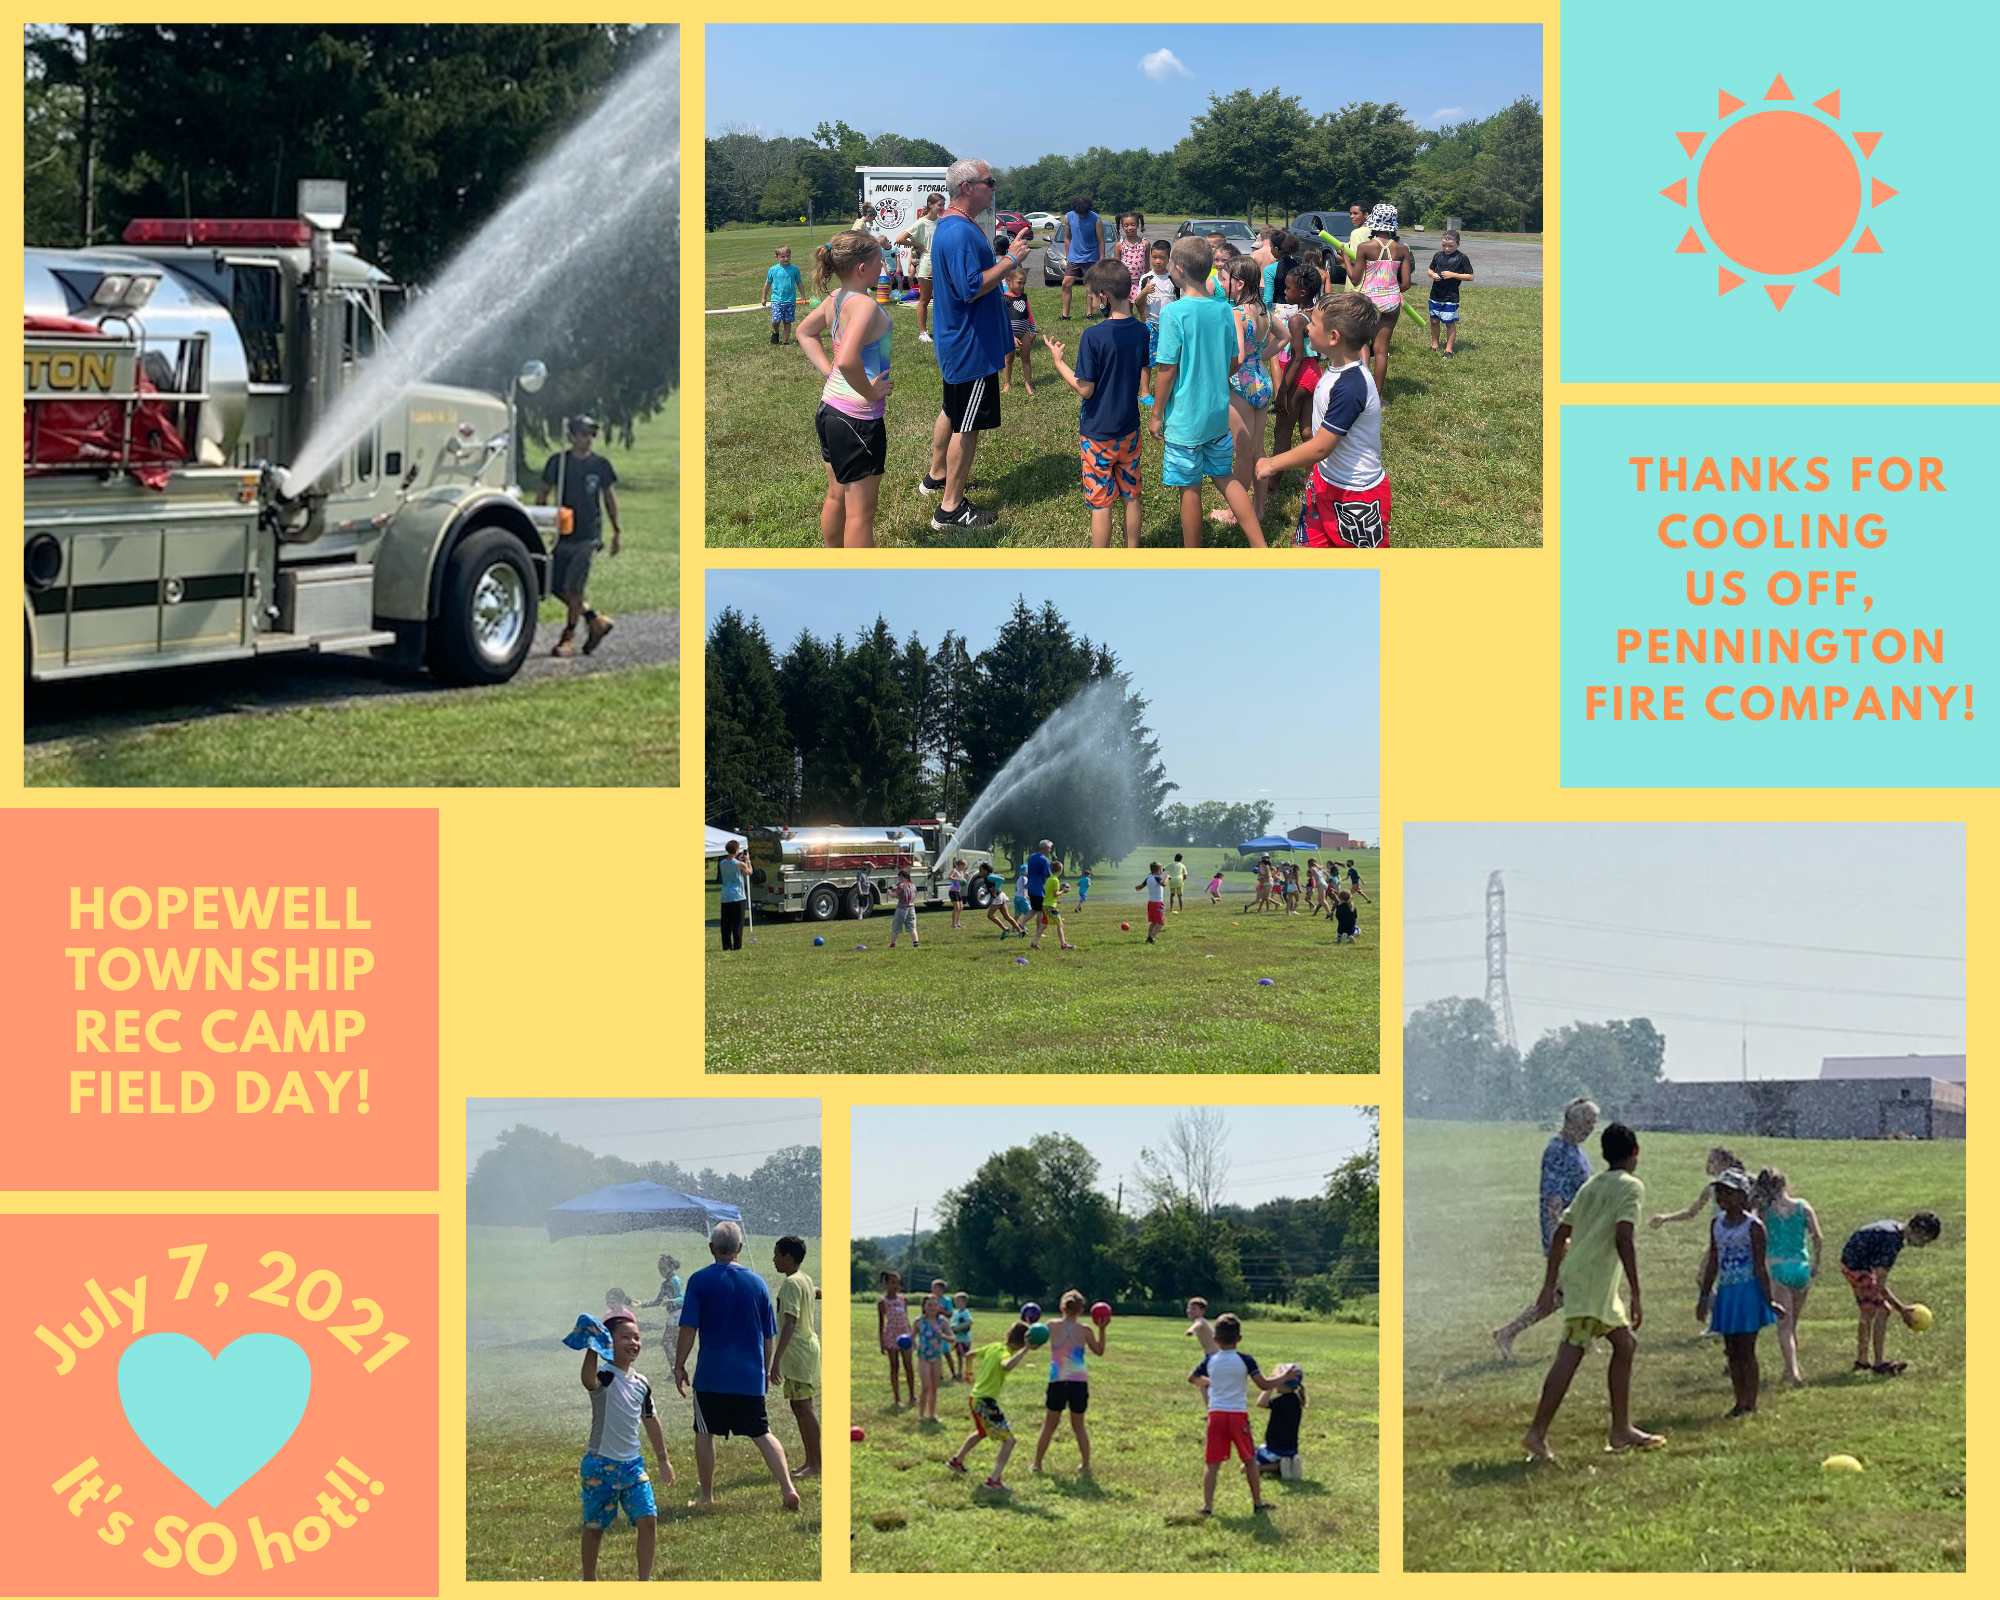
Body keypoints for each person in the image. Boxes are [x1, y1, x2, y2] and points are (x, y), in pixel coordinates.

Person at [1520, 1121, 1663, 1462]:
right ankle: (1536, 1434)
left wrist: (1550, 1283)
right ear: (1635, 1152)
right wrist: (1637, 1292)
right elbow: (1624, 1237)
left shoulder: (1591, 1185)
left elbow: (1560, 1234)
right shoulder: (1631, 1186)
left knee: (1625, 1344)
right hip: (1591, 1282)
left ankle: (1621, 1429)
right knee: (1571, 1352)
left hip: (1587, 1279)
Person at [920, 157, 1031, 531]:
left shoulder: (954, 225)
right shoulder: (960, 233)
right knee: (967, 425)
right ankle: (950, 510)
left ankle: (936, 476)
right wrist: (1011, 260)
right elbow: (970, 288)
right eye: (990, 181)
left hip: (959, 342)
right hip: (971, 347)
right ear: (967, 188)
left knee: (952, 411)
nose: (994, 187)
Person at [674, 1221, 801, 1512]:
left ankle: (707, 1496)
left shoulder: (699, 1281)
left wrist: (679, 1366)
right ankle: (787, 1488)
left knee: (705, 1432)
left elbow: (688, 1328)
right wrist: (765, 1371)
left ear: (712, 1248)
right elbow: (768, 1335)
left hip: (712, 1377)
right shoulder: (758, 1283)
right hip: (748, 1376)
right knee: (762, 1433)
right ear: (739, 1248)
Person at [1254, 293, 1391, 549]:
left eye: (1314, 323)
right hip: (1324, 484)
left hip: (1356, 496)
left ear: (1334, 337)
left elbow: (1321, 447)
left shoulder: (1351, 386)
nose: (1307, 328)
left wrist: (1271, 463)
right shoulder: (1337, 367)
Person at [1153, 237, 1264, 547]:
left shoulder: (1172, 313)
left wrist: (1156, 414)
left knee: (1190, 488)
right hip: (1217, 415)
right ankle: (1260, 546)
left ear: (1178, 269)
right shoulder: (1225, 309)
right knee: (1224, 477)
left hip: (1185, 420)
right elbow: (1236, 359)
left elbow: (1166, 371)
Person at [1042, 259, 1150, 549]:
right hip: (1130, 430)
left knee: (1101, 502)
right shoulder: (1142, 331)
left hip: (1098, 435)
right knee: (1131, 495)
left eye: (1092, 297)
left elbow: (1085, 389)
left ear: (1104, 296)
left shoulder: (1093, 336)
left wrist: (1059, 362)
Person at [796, 230, 894, 549]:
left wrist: (830, 372)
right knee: (860, 515)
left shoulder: (835, 298)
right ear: (863, 269)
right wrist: (870, 393)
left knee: (837, 496)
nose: (883, 267)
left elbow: (805, 332)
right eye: (880, 261)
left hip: (830, 412)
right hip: (857, 420)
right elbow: (849, 360)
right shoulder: (864, 305)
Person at [1492, 1097, 1600, 1360]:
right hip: (1564, 1233)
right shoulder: (1558, 1150)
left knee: (1569, 1292)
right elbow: (1553, 1197)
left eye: (1593, 1123)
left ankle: (1584, 1339)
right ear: (1571, 1121)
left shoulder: (1577, 1151)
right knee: (1567, 1291)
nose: (1591, 1129)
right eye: (1587, 1122)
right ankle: (1508, 1333)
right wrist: (1558, 1237)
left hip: (1579, 1231)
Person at [575, 1307, 674, 1581]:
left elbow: (650, 1419)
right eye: (625, 1337)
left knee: (648, 1520)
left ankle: (644, 1582)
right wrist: (593, 1347)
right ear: (610, 1342)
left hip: (632, 1468)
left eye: (637, 1337)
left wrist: (663, 1459)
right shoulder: (605, 1376)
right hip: (600, 1465)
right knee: (595, 1528)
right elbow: (588, 1380)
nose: (634, 1343)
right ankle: (589, 1579)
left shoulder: (641, 1383)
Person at [1697, 1169, 1782, 1418]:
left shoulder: (1753, 1227)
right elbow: (1714, 1261)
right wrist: (1704, 1296)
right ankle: (1738, 1400)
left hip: (1747, 1293)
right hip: (1727, 1292)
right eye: (1719, 1192)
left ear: (1742, 1195)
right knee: (1731, 1350)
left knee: (1746, 1349)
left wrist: (1769, 1300)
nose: (1722, 1197)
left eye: (1728, 1192)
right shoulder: (1717, 1224)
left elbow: (1760, 1267)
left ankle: (1750, 1402)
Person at [536, 416, 621, 658]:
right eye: (583, 434)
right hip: (563, 533)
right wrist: (543, 524)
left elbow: (609, 498)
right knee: (551, 584)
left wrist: (616, 531)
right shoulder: (558, 463)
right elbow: (543, 493)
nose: (588, 439)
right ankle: (595, 620)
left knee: (575, 587)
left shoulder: (600, 465)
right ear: (572, 436)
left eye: (591, 434)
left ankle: (569, 636)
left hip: (588, 535)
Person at [1189, 1312, 1281, 1515]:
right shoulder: (1245, 1360)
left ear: (1215, 1339)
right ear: (1239, 1338)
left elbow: (1192, 1378)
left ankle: (1207, 1506)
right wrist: (1283, 1377)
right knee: (1249, 1459)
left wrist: (1211, 1382)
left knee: (1212, 1462)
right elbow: (1263, 1384)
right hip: (1237, 1415)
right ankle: (1257, 1502)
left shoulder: (1211, 1360)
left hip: (1216, 1415)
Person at [1838, 1211, 1943, 1375]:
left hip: (1854, 1262)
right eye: (1924, 1240)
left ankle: (1863, 1361)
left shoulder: (1895, 1231)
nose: (1922, 1245)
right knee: (1882, 1309)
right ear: (1919, 1231)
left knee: (1870, 1311)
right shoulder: (1891, 1241)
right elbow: (1880, 1285)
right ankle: (1877, 1363)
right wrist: (1903, 1310)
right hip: (1856, 1267)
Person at [1216, 260, 1275, 527]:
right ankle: (1259, 509)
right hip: (1262, 381)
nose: (1220, 283)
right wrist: (1259, 357)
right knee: (1258, 449)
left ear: (1239, 284)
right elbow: (1284, 337)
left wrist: (1221, 377)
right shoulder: (1263, 310)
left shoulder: (1237, 313)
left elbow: (1238, 357)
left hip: (1241, 385)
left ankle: (1234, 513)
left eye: (1224, 279)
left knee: (1243, 453)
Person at [1751, 1167, 1822, 1385]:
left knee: (1784, 1326)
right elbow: (1818, 1237)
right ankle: (1789, 1368)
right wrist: (1816, 1264)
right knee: (1793, 1325)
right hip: (1801, 1268)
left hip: (1778, 1269)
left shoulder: (1764, 1211)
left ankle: (1793, 1372)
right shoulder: (1802, 1206)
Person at [947, 1319, 1034, 1490]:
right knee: (1009, 1441)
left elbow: (969, 1355)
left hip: (974, 1398)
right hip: (985, 1401)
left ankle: (957, 1461)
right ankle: (994, 1480)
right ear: (1022, 1342)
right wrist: (1026, 1349)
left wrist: (968, 1372)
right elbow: (1007, 1365)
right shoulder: (1005, 1353)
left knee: (982, 1432)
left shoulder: (994, 1346)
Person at [1031, 1289, 1107, 1475]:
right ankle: (1086, 1465)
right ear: (1081, 1310)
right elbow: (1099, 1351)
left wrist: (1030, 1327)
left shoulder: (1051, 1326)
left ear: (1061, 1307)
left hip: (1057, 1381)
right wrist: (1102, 1329)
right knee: (1079, 1426)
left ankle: (1037, 1464)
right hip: (1078, 1382)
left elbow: (1033, 1344)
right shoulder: (1085, 1330)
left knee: (1049, 1425)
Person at [1341, 204, 1410, 403]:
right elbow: (1406, 284)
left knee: (1362, 344)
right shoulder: (1402, 249)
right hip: (1391, 302)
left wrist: (1345, 258)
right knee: (1381, 350)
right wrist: (1392, 292)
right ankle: (1377, 398)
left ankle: (1361, 391)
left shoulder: (1365, 247)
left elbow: (1355, 280)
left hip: (1368, 302)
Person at [769, 1235, 822, 1477]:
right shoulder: (804, 1279)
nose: (774, 1260)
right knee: (798, 1405)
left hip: (799, 1351)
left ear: (788, 1257)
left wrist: (776, 1360)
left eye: (777, 1255)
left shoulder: (792, 1283)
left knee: (804, 1406)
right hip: (802, 1351)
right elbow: (816, 1292)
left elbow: (790, 1321)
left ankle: (817, 1465)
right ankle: (810, 1461)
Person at [1268, 265, 1325, 469]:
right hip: (1314, 374)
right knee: (1307, 432)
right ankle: (1311, 478)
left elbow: (1297, 358)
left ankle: (1274, 483)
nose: (1284, 291)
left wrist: (1282, 392)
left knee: (1282, 433)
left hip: (1298, 378)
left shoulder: (1296, 320)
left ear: (1301, 293)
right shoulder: (1317, 313)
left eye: (1288, 288)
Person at [894, 192, 947, 342]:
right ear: (930, 205)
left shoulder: (942, 222)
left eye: (943, 205)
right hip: (926, 265)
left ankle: (942, 330)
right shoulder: (921, 223)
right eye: (939, 205)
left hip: (941, 265)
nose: (942, 208)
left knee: (942, 299)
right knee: (925, 299)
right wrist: (918, 245)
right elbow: (900, 239)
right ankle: (923, 333)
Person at [1137, 239, 1178, 410]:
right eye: (1154, 257)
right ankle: (1145, 393)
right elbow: (1138, 303)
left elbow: (1179, 301)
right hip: (1151, 325)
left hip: (1169, 327)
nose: (1158, 261)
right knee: (1147, 360)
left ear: (1169, 258)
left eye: (1162, 258)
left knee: (1168, 360)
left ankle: (1168, 390)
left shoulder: (1174, 279)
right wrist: (1145, 292)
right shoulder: (1146, 278)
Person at [1058, 194, 1109, 320]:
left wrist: (1101, 260)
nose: (1082, 215)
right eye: (1079, 213)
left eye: (1084, 213)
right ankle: (1065, 315)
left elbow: (1101, 241)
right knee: (1065, 284)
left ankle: (1089, 314)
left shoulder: (1096, 219)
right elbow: (1067, 238)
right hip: (1074, 258)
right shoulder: (1068, 217)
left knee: (1089, 287)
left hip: (1091, 258)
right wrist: (1068, 256)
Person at [1427, 229, 1474, 356]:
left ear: (1458, 245)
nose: (1446, 249)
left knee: (1449, 323)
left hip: (1450, 297)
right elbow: (1429, 270)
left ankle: (1449, 350)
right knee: (1434, 321)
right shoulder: (1438, 255)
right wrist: (1433, 275)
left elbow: (1470, 276)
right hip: (1435, 295)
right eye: (1444, 245)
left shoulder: (1462, 258)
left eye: (1450, 246)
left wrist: (1453, 275)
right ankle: (1435, 345)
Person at [1254, 1362, 1306, 1477]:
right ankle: (1289, 1462)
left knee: (1246, 1467)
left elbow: (1261, 1403)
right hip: (1291, 1449)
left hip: (1274, 1449)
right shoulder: (1297, 1400)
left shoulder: (1281, 1401)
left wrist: (1270, 1385)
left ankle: (1278, 1467)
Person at [877, 1269, 914, 1406]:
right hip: (891, 1336)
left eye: (898, 1283)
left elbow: (906, 1318)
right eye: (893, 1283)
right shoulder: (883, 1302)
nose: (896, 1286)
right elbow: (881, 1324)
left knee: (908, 1365)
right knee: (895, 1367)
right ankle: (897, 1398)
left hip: (905, 1334)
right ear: (886, 1284)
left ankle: (912, 1395)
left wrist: (912, 1336)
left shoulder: (903, 1299)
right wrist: (882, 1343)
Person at [1000, 264, 1038, 395]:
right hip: (1010, 333)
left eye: (1024, 283)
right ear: (1008, 281)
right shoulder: (1004, 298)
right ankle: (1007, 384)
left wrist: (1033, 330)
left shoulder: (1024, 296)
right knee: (1009, 359)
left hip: (1024, 331)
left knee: (1026, 358)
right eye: (1019, 283)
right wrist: (1012, 337)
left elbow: (1028, 313)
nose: (1022, 286)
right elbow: (1003, 319)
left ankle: (1028, 384)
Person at [914, 1293, 948, 1422]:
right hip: (923, 1357)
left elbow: (952, 1338)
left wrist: (943, 1336)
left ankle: (932, 1414)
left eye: (935, 1305)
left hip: (937, 1357)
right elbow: (911, 1337)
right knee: (926, 1386)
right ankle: (921, 1415)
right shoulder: (918, 1321)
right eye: (929, 1305)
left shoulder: (942, 1321)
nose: (932, 1308)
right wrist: (911, 1344)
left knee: (934, 1387)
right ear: (924, 1307)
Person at [762, 245, 803, 347]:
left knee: (787, 321)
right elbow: (768, 283)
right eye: (783, 257)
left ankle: (785, 341)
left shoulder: (795, 269)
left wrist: (803, 295)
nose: (786, 258)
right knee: (776, 319)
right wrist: (764, 297)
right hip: (777, 300)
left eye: (788, 256)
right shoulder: (773, 269)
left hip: (790, 300)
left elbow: (799, 282)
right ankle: (776, 331)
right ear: (777, 257)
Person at [1115, 213, 1150, 320]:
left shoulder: (1145, 244)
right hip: (1125, 283)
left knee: (1144, 311)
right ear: (1122, 227)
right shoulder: (1119, 245)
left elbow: (1147, 266)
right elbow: (1116, 268)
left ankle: (1146, 328)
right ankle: (1129, 328)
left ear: (1138, 225)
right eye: (1126, 225)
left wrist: (1148, 282)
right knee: (1127, 312)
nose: (1130, 228)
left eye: (1133, 224)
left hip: (1141, 283)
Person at [716, 838, 748, 952]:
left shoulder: (722, 863)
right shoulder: (739, 864)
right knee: (737, 922)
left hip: (726, 895)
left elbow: (731, 865)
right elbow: (749, 872)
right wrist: (747, 861)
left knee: (726, 923)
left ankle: (726, 945)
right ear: (736, 850)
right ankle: (737, 945)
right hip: (738, 895)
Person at [984, 862, 1024, 937]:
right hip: (1000, 896)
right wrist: (985, 893)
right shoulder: (988, 877)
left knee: (990, 915)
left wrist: (996, 889)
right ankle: (1020, 931)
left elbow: (1001, 879)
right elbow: (991, 887)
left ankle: (1005, 929)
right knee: (1007, 917)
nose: (979, 872)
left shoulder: (989, 877)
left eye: (981, 870)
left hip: (998, 897)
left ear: (985, 870)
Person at [640, 1253, 684, 1320]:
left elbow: (682, 1299)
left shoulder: (674, 1281)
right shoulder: (665, 1284)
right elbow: (659, 1301)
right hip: (673, 1314)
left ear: (670, 1268)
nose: (661, 1271)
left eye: (663, 1268)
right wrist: (643, 1304)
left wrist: (671, 1301)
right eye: (660, 1268)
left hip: (679, 1313)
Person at [887, 865, 921, 949]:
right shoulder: (913, 885)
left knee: (896, 927)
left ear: (902, 877)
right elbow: (905, 896)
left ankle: (893, 944)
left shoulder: (901, 885)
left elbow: (894, 895)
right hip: (911, 908)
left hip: (901, 909)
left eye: (899, 878)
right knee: (912, 928)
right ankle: (916, 943)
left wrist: (889, 892)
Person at [1136, 860, 1169, 942]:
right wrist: (1167, 877)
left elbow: (1140, 887)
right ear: (1159, 870)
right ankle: (1152, 937)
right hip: (1158, 902)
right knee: (1161, 922)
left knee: (1154, 921)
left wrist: (1137, 887)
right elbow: (1164, 884)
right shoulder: (1157, 878)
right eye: (1161, 869)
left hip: (1151, 903)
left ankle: (1149, 937)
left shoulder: (1148, 878)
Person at [950, 1292, 975, 1383]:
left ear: (964, 1302)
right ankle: (959, 1372)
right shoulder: (955, 1312)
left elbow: (970, 1322)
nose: (956, 1303)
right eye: (955, 1301)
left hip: (965, 1339)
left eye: (959, 1301)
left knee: (966, 1356)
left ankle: (968, 1372)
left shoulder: (966, 1312)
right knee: (959, 1356)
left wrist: (959, 1328)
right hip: (957, 1339)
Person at [946, 858, 967, 929]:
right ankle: (953, 924)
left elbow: (962, 881)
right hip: (953, 891)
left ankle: (958, 923)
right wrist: (957, 879)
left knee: (961, 907)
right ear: (960, 865)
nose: (965, 867)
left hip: (958, 891)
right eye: (964, 866)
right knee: (956, 908)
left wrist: (965, 877)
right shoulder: (954, 870)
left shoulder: (961, 872)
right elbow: (949, 877)